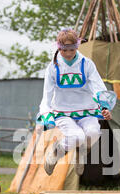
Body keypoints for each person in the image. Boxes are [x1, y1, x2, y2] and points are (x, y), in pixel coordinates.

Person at [37, 28, 112, 176]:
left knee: (93, 133)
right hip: (63, 112)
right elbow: (47, 94)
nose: (69, 53)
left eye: (72, 49)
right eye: (65, 50)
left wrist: (105, 107)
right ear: (59, 48)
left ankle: (81, 152)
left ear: (77, 46)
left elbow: (97, 86)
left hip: (87, 110)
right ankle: (55, 153)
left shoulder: (87, 64)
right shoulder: (53, 67)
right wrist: (45, 115)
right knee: (76, 137)